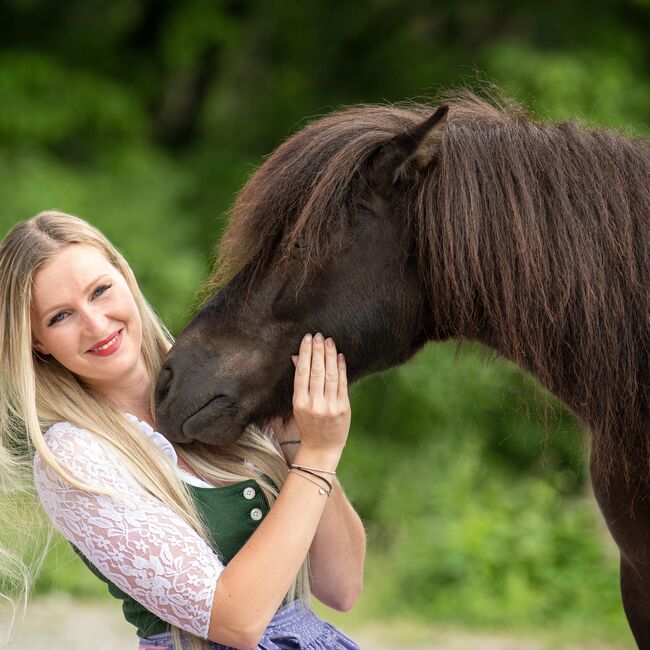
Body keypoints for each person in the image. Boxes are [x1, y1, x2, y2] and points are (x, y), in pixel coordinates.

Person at [0, 210, 365, 650]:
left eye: (100, 291)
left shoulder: (218, 386)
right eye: (61, 316)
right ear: (37, 341)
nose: (96, 325)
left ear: (124, 276)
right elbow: (237, 621)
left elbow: (341, 587)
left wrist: (300, 441)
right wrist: (319, 455)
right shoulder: (73, 456)